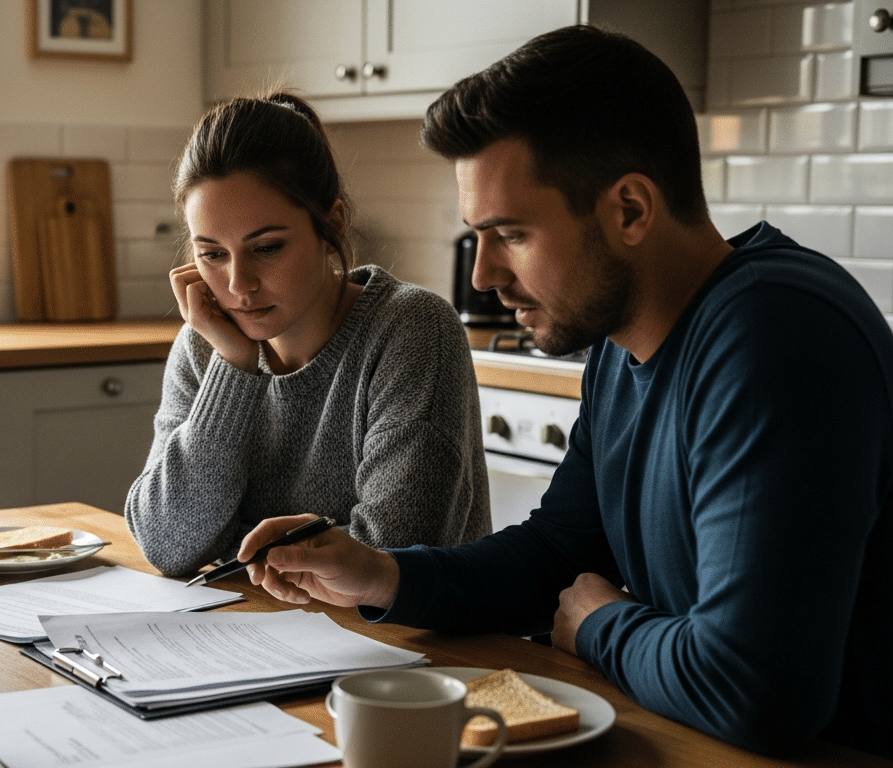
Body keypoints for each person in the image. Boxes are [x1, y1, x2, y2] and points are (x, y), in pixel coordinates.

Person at [238, 26, 893, 760]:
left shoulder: (775, 334)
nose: (483, 275)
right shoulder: (621, 343)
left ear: (630, 210)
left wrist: (600, 625)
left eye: (510, 234)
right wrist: (380, 574)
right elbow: (557, 553)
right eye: (478, 236)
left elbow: (757, 688)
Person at [124, 91, 492, 578]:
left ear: (332, 225)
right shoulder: (205, 344)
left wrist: (237, 548)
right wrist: (232, 366)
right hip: (250, 621)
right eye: (212, 254)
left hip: (398, 630)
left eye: (267, 247)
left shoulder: (411, 329)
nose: (238, 285)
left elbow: (394, 552)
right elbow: (166, 545)